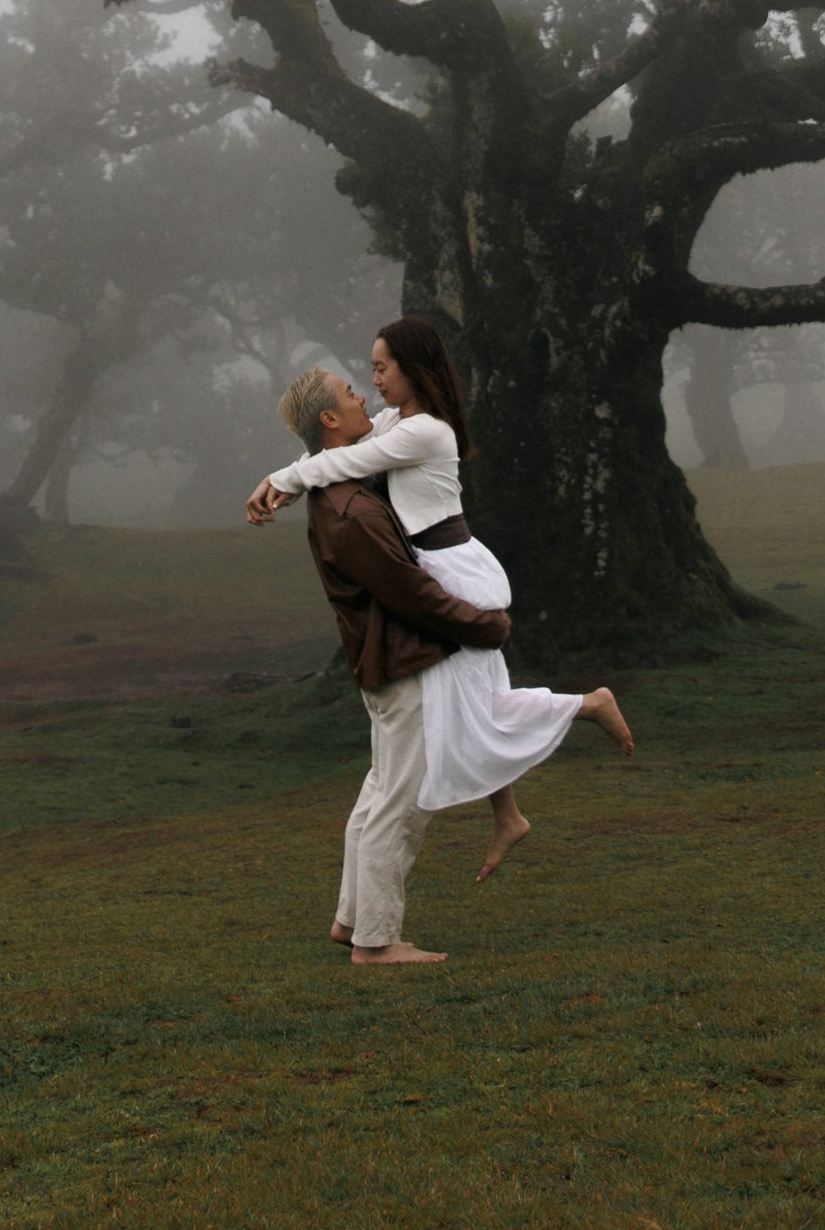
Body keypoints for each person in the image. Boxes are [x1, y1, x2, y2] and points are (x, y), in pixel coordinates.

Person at [252, 318, 633, 899]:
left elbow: (338, 463)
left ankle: (584, 712)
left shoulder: (426, 431)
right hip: (441, 569)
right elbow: (338, 450)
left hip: (454, 572)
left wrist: (279, 480)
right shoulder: (394, 423)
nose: (371, 380)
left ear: (412, 368)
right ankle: (515, 805)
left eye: (381, 368)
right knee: (475, 706)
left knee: (474, 708)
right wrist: (288, 477)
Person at [262, 362, 513, 969]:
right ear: (329, 418)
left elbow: (371, 440)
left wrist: (283, 476)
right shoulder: (351, 508)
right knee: (402, 803)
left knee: (379, 794)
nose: (365, 399)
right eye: (352, 393)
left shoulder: (345, 488)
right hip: (401, 663)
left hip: (385, 663)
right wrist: (486, 625)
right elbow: (410, 591)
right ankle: (377, 942)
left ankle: (351, 921)